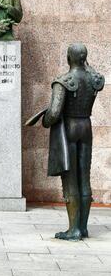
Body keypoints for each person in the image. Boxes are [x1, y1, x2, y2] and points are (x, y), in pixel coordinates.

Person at [42, 43, 105, 240]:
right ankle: (83, 227)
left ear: (68, 58)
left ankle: (73, 230)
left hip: (69, 129)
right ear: (85, 58)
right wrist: (87, 64)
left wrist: (44, 120)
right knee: (84, 177)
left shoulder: (63, 81)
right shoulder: (94, 79)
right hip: (86, 127)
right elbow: (96, 75)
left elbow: (53, 113)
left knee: (70, 177)